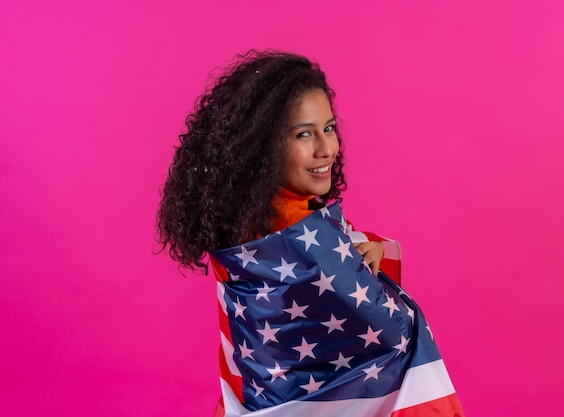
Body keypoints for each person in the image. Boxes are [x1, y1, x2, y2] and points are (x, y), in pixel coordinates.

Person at [157, 50, 464, 417]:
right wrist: (358, 274)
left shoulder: (270, 213)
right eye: (305, 134)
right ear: (262, 145)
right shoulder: (280, 234)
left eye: (329, 128)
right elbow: (395, 335)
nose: (327, 149)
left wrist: (355, 256)